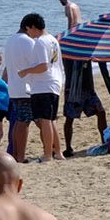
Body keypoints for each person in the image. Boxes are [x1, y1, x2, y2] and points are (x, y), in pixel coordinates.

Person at [18, 23, 65, 162]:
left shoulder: (40, 41)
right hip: (55, 83)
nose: (28, 34)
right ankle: (58, 152)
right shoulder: (53, 40)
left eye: (28, 31)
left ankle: (48, 154)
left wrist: (26, 71)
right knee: (50, 120)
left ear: (32, 27)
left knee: (45, 121)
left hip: (43, 85)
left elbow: (43, 66)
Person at [2, 15, 39, 163]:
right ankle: (20, 157)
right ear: (30, 27)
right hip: (26, 87)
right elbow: (36, 62)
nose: (36, 34)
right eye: (36, 30)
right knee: (25, 122)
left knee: (19, 122)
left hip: (14, 87)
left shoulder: (11, 40)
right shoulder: (27, 41)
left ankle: (17, 154)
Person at [62, 59, 108, 156]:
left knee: (101, 112)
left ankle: (104, 142)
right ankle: (68, 147)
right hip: (73, 89)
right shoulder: (68, 50)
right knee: (70, 118)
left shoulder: (83, 48)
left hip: (87, 88)